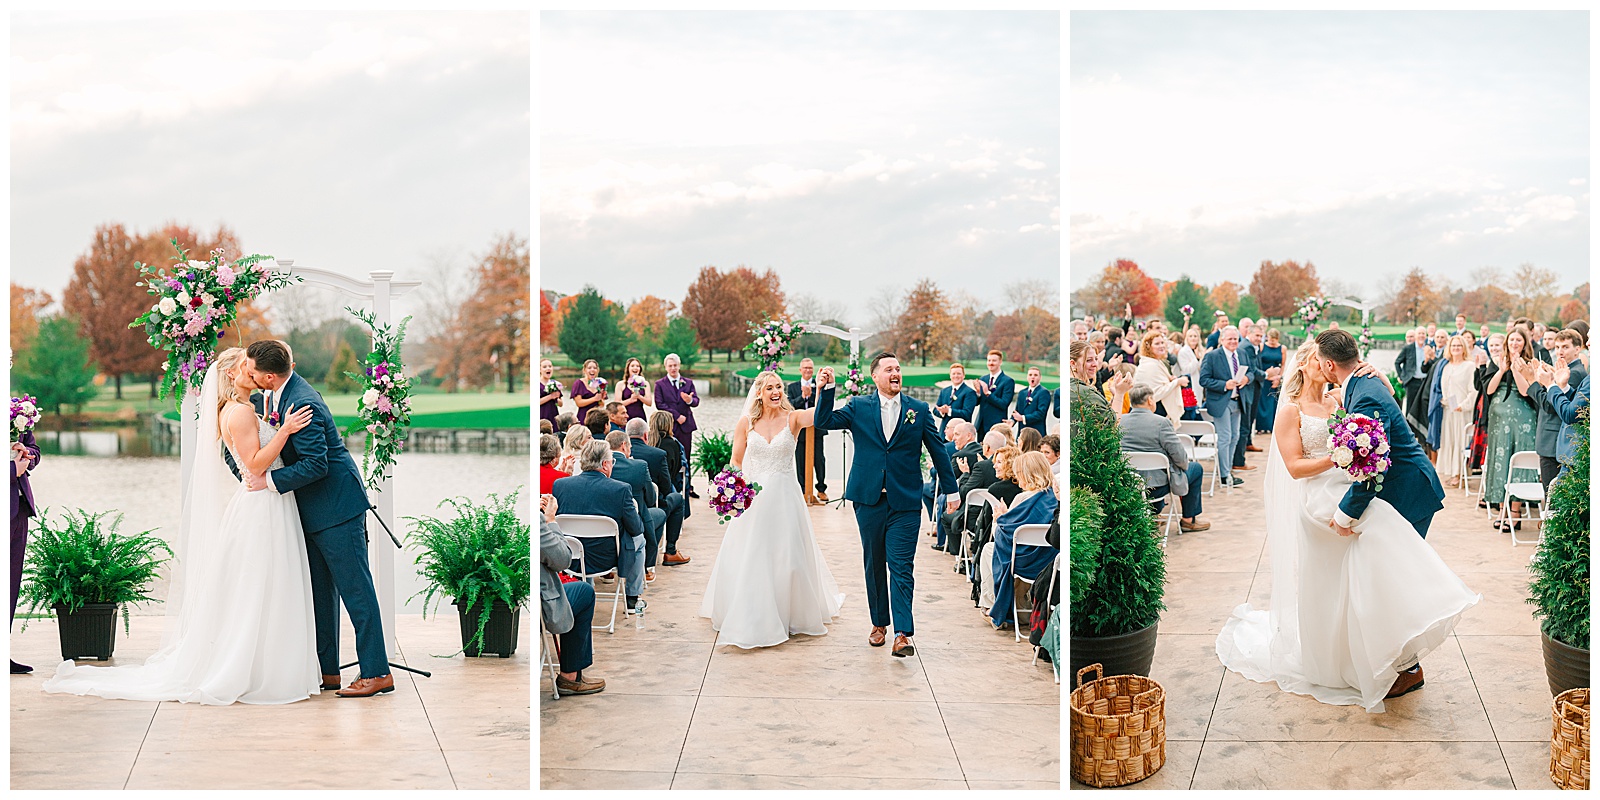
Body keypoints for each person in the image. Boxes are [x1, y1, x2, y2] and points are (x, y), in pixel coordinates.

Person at [44, 347, 328, 703]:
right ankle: (258, 670)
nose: (252, 372)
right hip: (262, 504)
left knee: (263, 586)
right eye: (245, 367)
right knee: (260, 585)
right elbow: (255, 465)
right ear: (230, 375)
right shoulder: (239, 413)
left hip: (267, 502)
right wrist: (285, 431)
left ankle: (270, 664)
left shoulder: (242, 410)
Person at [1216, 334, 1477, 712]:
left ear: (1326, 363)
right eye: (1305, 357)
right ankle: (1384, 661)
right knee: (1355, 578)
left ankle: (1404, 660)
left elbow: (1372, 452)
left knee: (1387, 571)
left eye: (1314, 356)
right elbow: (1300, 465)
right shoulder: (1300, 407)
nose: (1312, 362)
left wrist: (1346, 497)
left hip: (1378, 492)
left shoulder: (1346, 396)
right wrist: (1338, 457)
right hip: (1325, 496)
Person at [813, 354, 959, 657]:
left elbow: (938, 452)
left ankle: (903, 633)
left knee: (902, 566)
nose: (896, 373)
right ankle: (879, 623)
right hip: (868, 500)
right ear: (875, 377)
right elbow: (823, 422)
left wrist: (952, 490)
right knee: (874, 561)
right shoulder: (858, 407)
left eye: (898, 369)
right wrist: (827, 390)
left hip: (905, 501)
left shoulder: (918, 410)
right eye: (889, 369)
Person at [699, 371, 845, 648]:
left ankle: (790, 613)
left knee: (787, 555)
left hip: (785, 497)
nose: (776, 391)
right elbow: (736, 459)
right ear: (759, 393)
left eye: (779, 386)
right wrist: (729, 488)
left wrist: (826, 388)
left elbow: (821, 415)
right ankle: (753, 612)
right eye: (770, 388)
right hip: (754, 499)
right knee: (754, 553)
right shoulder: (746, 423)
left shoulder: (794, 418)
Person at [550, 440, 648, 613]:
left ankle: (584, 591)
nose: (612, 465)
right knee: (639, 540)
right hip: (607, 558)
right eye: (612, 462)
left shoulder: (561, 485)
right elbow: (636, 528)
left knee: (582, 541)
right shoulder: (621, 489)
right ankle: (632, 598)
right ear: (604, 464)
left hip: (571, 558)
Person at [1121, 384, 1209, 532]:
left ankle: (1152, 517)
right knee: (1195, 468)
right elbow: (1181, 458)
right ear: (1150, 400)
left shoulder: (1121, 421)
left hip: (1129, 484)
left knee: (1156, 471)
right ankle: (1188, 519)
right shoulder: (1161, 423)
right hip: (1156, 487)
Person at [987, 452, 1060, 630]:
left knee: (988, 550)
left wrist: (999, 519)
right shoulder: (1055, 498)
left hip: (1024, 562)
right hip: (1049, 562)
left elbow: (1005, 536)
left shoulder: (1022, 499)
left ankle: (993, 606)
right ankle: (1019, 607)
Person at [539, 495, 603, 696]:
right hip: (540, 606)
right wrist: (550, 520)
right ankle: (570, 677)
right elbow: (563, 559)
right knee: (584, 592)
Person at [1481, 326, 1541, 528]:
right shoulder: (1496, 361)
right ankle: (1502, 510)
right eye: (1511, 340)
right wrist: (1501, 370)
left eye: (1519, 340)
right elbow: (1488, 390)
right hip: (1498, 421)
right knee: (1500, 460)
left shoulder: (1531, 364)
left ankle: (1515, 513)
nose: (1514, 344)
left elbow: (1526, 392)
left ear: (1525, 343)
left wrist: (1516, 369)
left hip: (1523, 421)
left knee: (1518, 461)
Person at [1521, 329, 1588, 491]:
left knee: (1552, 495)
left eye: (1565, 347)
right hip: (1552, 440)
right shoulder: (1566, 370)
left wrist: (1533, 381)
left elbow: (1549, 406)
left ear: (1577, 349)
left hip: (1554, 440)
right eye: (1557, 347)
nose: (1560, 352)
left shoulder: (1575, 373)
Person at [627, 418, 688, 566]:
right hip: (650, 506)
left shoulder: (614, 456)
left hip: (624, 507)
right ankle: (670, 551)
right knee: (678, 499)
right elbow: (666, 488)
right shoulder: (658, 455)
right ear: (646, 435)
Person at [605, 431, 665, 581]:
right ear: (624, 446)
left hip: (604, 527)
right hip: (634, 525)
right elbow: (651, 499)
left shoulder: (599, 467)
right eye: (630, 447)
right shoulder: (639, 466)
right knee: (660, 514)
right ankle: (645, 567)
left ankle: (607, 572)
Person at [1199, 326, 1249, 488]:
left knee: (1235, 436)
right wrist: (1224, 385)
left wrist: (1247, 378)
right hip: (1221, 402)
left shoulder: (1241, 353)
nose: (1234, 341)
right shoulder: (1213, 356)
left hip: (1238, 400)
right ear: (1222, 340)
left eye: (1236, 339)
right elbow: (1204, 380)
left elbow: (1252, 371)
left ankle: (1228, 469)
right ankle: (1224, 475)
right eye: (1230, 339)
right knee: (1225, 437)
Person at [10, 419, 40, 675]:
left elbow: (34, 450)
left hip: (18, 510)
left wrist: (27, 455)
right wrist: (12, 470)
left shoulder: (15, 412)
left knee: (10, 584)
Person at [655, 354, 701, 499]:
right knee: (669, 456)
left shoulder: (688, 382)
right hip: (668, 427)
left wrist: (689, 400)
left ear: (679, 365)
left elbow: (696, 401)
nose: (673, 368)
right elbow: (659, 404)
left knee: (686, 456)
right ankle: (670, 486)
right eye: (670, 366)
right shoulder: (660, 384)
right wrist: (676, 416)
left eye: (675, 365)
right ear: (666, 367)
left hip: (686, 426)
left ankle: (688, 487)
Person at [1436, 336, 1477, 488]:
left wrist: (1463, 405)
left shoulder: (1470, 366)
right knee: (1450, 441)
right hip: (1449, 410)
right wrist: (1448, 402)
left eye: (1459, 345)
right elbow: (1444, 388)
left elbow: (1473, 390)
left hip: (1463, 411)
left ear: (1464, 347)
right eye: (1453, 345)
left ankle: (1459, 474)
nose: (1456, 348)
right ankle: (1452, 472)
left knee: (1461, 441)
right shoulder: (1446, 367)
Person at [786, 358, 828, 502]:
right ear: (800, 370)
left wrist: (812, 396)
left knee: (819, 460)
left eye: (810, 368)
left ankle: (821, 489)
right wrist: (803, 397)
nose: (808, 370)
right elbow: (789, 406)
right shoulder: (792, 387)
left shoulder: (819, 387)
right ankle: (803, 490)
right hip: (799, 431)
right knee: (800, 460)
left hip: (816, 430)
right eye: (805, 368)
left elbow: (822, 406)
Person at [1132, 330, 1187, 425]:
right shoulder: (1149, 365)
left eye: (1162, 342)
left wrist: (1170, 380)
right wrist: (1177, 382)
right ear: (1148, 346)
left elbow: (1160, 383)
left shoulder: (1157, 362)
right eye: (1157, 343)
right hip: (1153, 412)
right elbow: (1155, 393)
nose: (1161, 346)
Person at [974, 350, 1016, 433]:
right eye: (989, 360)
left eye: (994, 360)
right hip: (981, 423)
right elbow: (977, 403)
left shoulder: (1008, 381)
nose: (991, 363)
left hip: (997, 425)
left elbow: (1004, 404)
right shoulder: (983, 379)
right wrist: (978, 392)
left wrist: (988, 393)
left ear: (1000, 362)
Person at [935, 362, 978, 437]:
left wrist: (949, 411)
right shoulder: (944, 391)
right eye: (953, 374)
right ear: (950, 375)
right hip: (944, 433)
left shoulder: (970, 392)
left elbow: (967, 414)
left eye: (959, 373)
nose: (956, 376)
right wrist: (942, 412)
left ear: (963, 375)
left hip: (961, 434)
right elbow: (935, 410)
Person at [1256, 328, 1284, 433]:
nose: (1272, 342)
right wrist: (1265, 375)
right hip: (1264, 376)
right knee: (1261, 402)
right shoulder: (1262, 346)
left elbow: (1283, 364)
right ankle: (1260, 427)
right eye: (1271, 339)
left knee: (1272, 402)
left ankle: (1271, 426)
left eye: (1274, 340)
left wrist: (1279, 377)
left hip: (1275, 379)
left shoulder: (1282, 348)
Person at [1011, 366, 1052, 436]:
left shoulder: (1044, 392)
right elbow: (1017, 410)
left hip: (1036, 433)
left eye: (1035, 375)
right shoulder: (1022, 393)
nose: (1032, 377)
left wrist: (1023, 418)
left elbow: (1040, 413)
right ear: (1027, 377)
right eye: (1030, 375)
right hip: (1022, 433)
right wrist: (1012, 420)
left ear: (1040, 377)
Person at [1178, 325, 1206, 421]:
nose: (1193, 338)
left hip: (1200, 383)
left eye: (1195, 336)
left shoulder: (1202, 350)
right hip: (1190, 385)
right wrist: (1197, 359)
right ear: (1187, 338)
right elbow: (1186, 370)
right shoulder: (1183, 352)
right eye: (1191, 336)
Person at [569, 359, 607, 424]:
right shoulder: (579, 383)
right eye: (589, 368)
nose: (592, 369)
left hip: (596, 417)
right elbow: (579, 403)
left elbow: (601, 405)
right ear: (584, 370)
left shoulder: (600, 383)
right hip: (584, 416)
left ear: (597, 370)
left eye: (595, 368)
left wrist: (601, 399)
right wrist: (594, 399)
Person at [619, 357, 653, 422]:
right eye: (632, 366)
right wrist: (630, 400)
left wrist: (639, 397)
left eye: (637, 366)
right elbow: (616, 404)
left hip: (640, 416)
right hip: (625, 417)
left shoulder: (645, 383)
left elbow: (649, 403)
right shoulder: (621, 384)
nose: (635, 368)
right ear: (628, 368)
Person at [539, 358, 563, 428]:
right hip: (542, 416)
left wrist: (556, 398)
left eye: (550, 366)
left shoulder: (555, 383)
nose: (548, 368)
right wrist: (550, 396)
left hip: (554, 416)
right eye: (544, 367)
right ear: (540, 370)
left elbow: (561, 404)